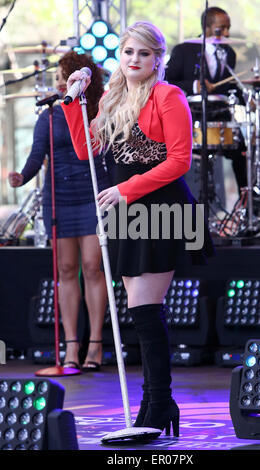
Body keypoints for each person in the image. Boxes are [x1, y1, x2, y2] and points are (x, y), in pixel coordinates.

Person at [62, 21, 214, 436]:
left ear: (157, 60)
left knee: (145, 313)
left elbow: (179, 161)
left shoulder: (169, 96)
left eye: (144, 54)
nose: (135, 60)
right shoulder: (111, 98)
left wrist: (125, 189)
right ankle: (156, 403)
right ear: (121, 55)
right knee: (143, 313)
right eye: (129, 52)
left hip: (163, 209)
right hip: (128, 213)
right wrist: (72, 104)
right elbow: (85, 150)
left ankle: (159, 403)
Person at [8, 51, 109, 372]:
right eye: (59, 79)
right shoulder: (49, 116)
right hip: (60, 198)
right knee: (66, 270)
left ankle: (95, 343)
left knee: (93, 267)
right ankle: (71, 347)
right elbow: (37, 156)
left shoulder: (98, 110)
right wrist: (21, 176)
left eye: (66, 77)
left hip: (92, 194)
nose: (60, 84)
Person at [165, 6, 248, 196]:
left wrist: (247, 100)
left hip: (220, 113)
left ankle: (247, 200)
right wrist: (195, 86)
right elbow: (167, 80)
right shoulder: (185, 50)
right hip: (192, 114)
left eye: (228, 28)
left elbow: (230, 86)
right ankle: (189, 200)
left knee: (240, 150)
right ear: (207, 27)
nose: (226, 33)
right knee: (185, 161)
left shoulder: (229, 53)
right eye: (221, 29)